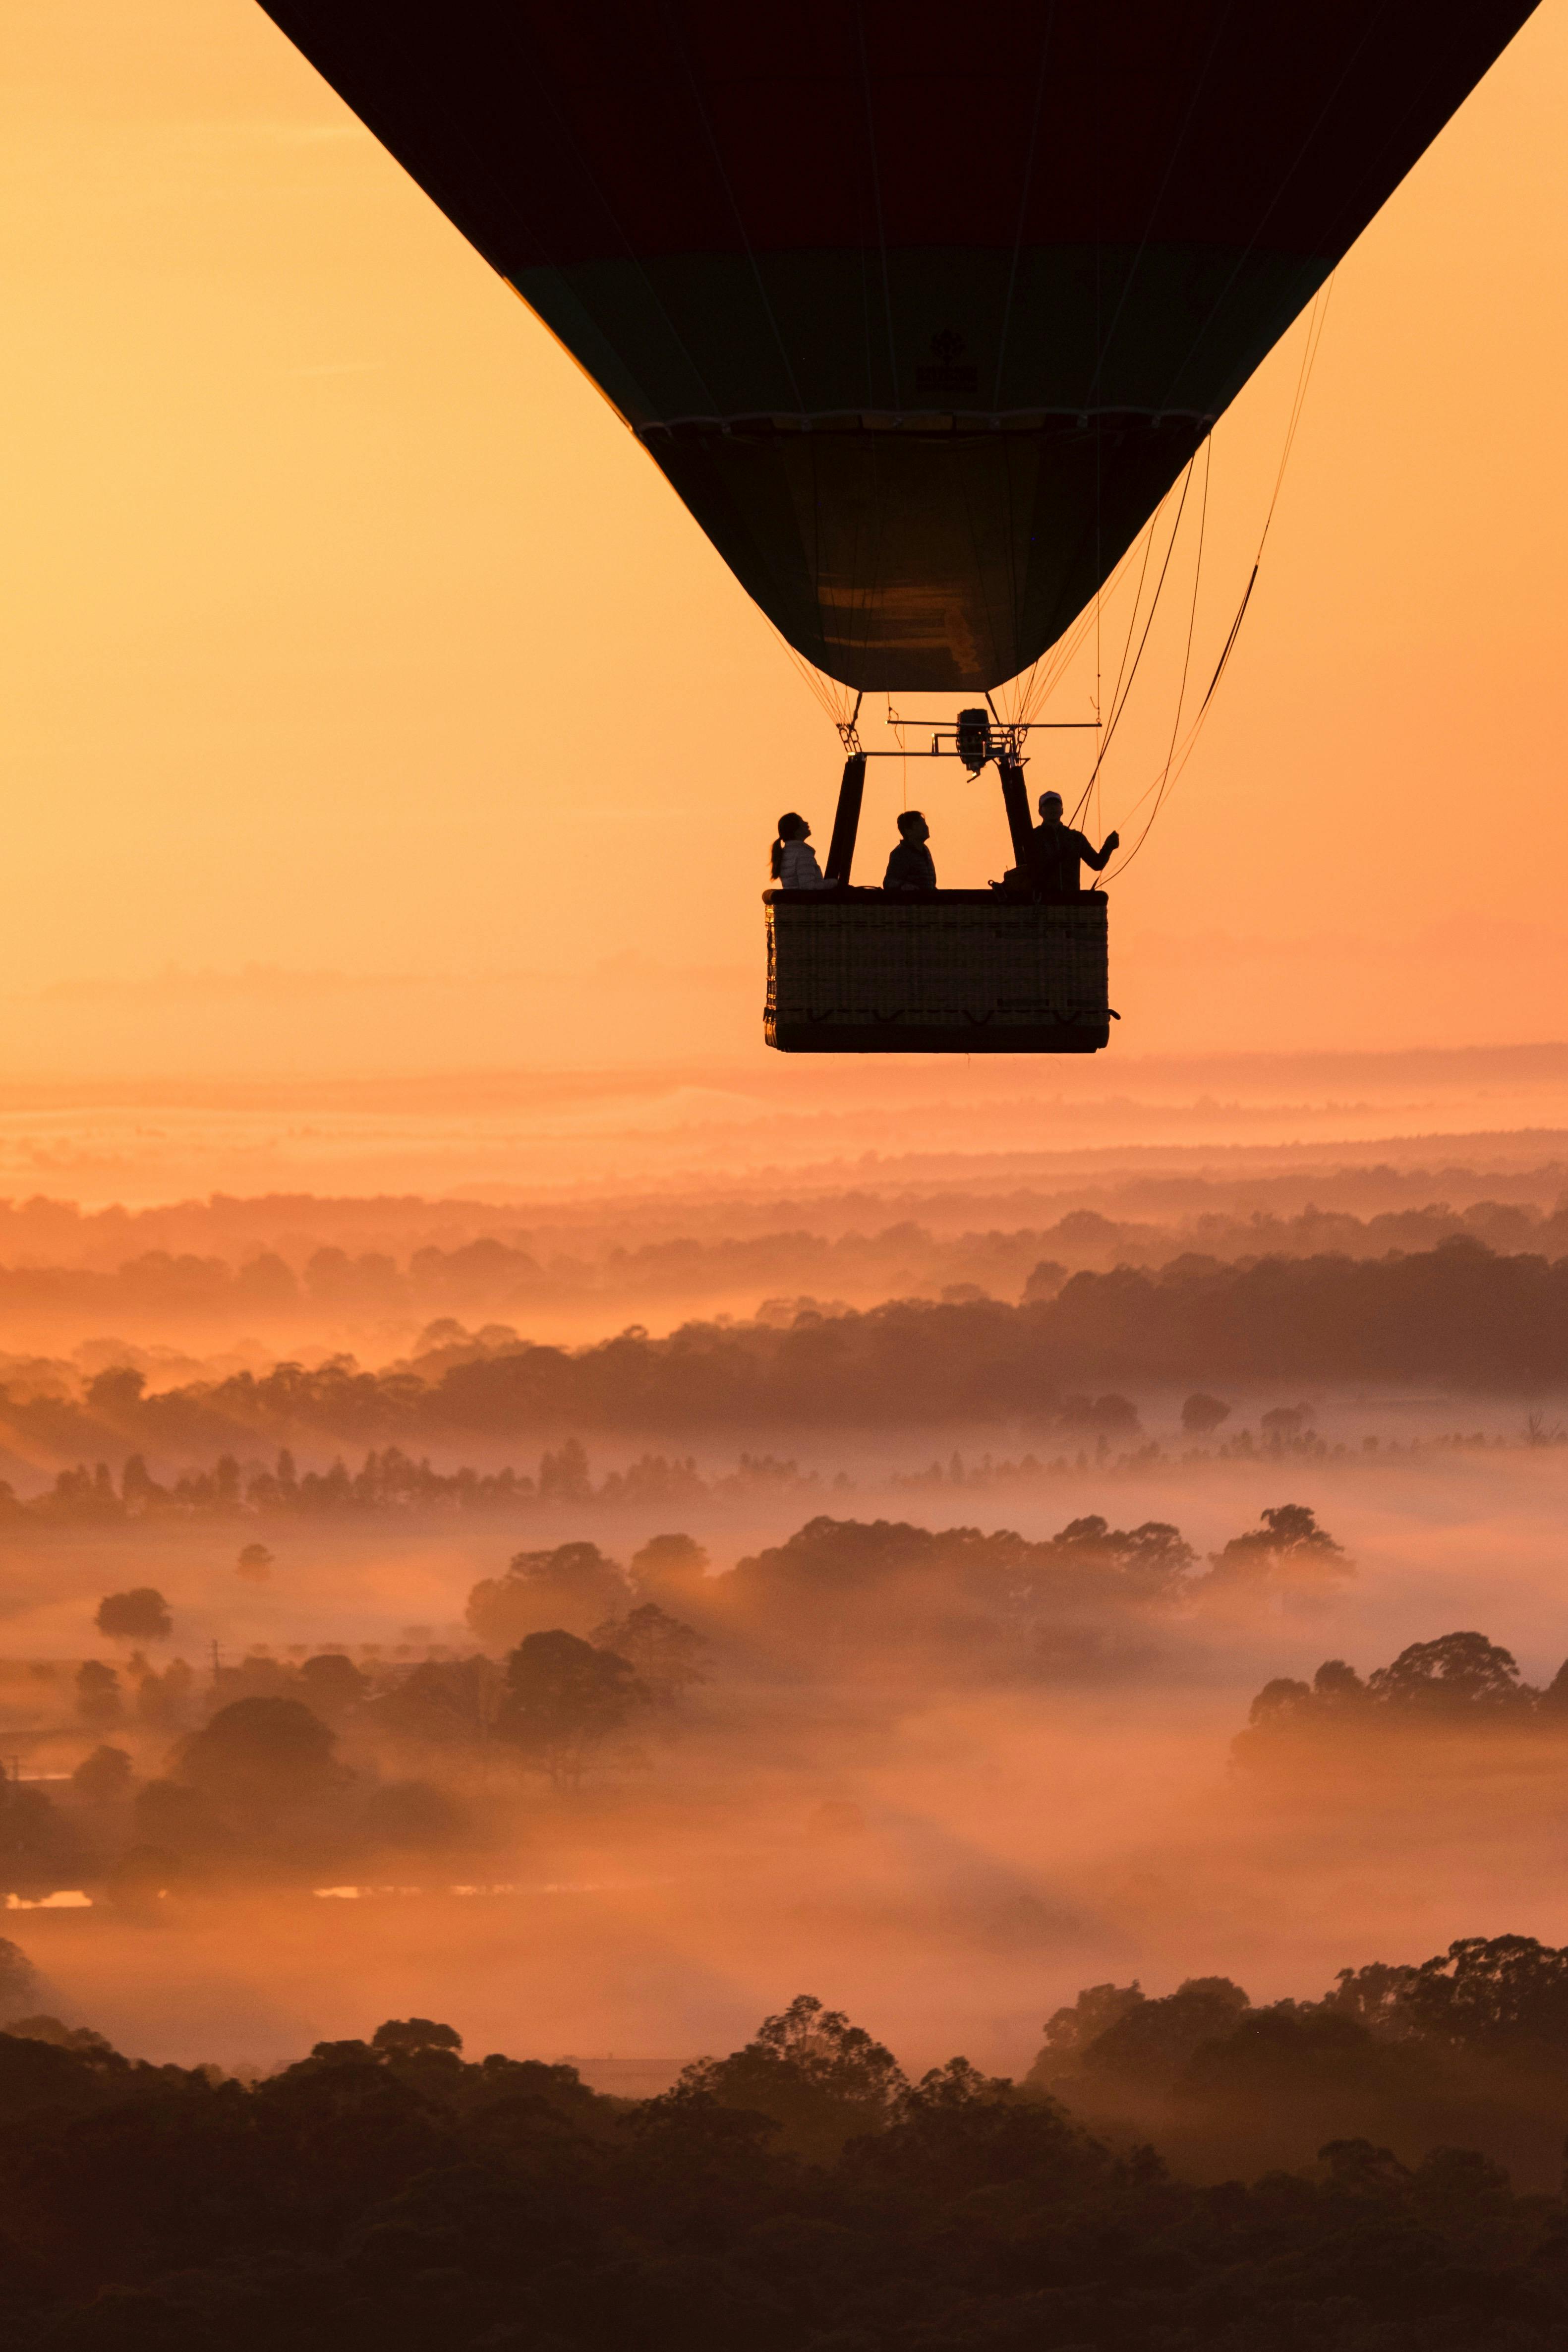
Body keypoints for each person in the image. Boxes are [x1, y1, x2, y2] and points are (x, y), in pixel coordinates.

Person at [1028, 791, 1118, 893]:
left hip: (1071, 901)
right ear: (1040, 812)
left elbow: (1097, 864)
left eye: (1056, 805)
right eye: (1048, 806)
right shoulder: (1033, 837)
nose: (1053, 808)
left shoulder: (1076, 838)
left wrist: (1108, 847)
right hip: (1044, 902)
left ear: (1062, 810)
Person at [771, 810, 831, 888]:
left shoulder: (785, 854)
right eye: (802, 822)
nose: (806, 823)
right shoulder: (803, 854)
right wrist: (833, 883)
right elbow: (809, 888)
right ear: (796, 830)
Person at [883, 809, 936, 891]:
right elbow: (889, 882)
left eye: (925, 824)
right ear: (908, 831)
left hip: (926, 903)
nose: (926, 827)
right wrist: (904, 886)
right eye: (920, 825)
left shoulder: (925, 850)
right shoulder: (901, 854)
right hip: (910, 903)